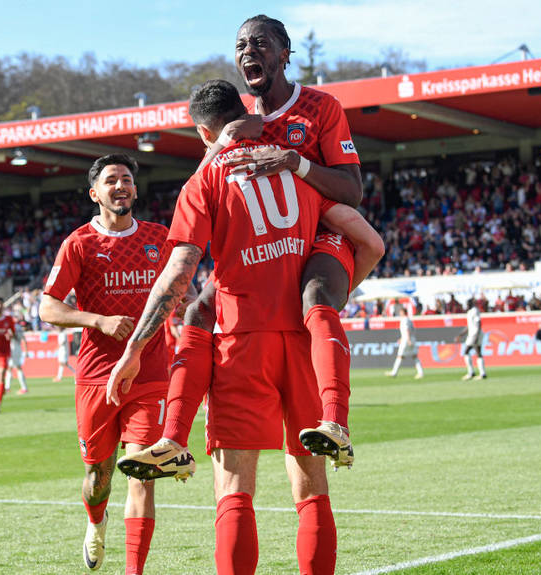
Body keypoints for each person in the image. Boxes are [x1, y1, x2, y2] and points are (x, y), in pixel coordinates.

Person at [108, 79, 376, 575]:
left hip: (240, 343)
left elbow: (178, 274)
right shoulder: (297, 166)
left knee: (234, 493)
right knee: (312, 490)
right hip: (302, 342)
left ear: (204, 132)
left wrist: (134, 351)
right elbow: (366, 237)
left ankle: (173, 439)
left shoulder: (203, 181)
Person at [119, 14, 385, 477]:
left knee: (316, 294)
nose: (248, 52)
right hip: (269, 246)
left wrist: (297, 163)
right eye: (241, 45)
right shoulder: (242, 120)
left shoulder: (321, 108)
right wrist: (218, 144)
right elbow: (217, 168)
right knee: (200, 308)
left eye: (260, 43)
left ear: (285, 52)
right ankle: (172, 440)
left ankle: (337, 423)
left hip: (325, 226)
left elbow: (352, 190)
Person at [38, 154, 173, 574]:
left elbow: (179, 293)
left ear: (135, 189)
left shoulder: (159, 237)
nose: (121, 186)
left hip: (149, 376)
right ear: (95, 193)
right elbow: (48, 308)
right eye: (111, 180)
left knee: (142, 473)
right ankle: (96, 523)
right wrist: (97, 320)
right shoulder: (79, 243)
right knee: (99, 478)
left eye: (127, 179)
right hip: (97, 376)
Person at [385, 307, 423, 379]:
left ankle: (394, 372)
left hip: (407, 340)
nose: (399, 313)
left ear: (403, 312)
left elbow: (407, 330)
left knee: (400, 356)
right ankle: (420, 373)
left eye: (400, 312)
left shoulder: (404, 320)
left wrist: (407, 339)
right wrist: (402, 338)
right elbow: (411, 330)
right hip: (410, 338)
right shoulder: (409, 320)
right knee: (414, 356)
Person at [457, 301, 487, 380]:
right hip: (474, 333)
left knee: (466, 351)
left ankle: (471, 372)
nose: (466, 306)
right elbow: (469, 326)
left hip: (475, 334)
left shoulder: (474, 311)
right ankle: (482, 373)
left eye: (467, 304)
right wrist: (461, 335)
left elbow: (479, 322)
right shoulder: (470, 312)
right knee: (478, 352)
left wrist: (477, 335)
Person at [6, 310, 29, 395]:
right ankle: (7, 387)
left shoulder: (13, 327)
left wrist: (9, 335)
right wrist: (26, 350)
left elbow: (13, 337)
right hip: (16, 347)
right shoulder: (19, 327)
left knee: (18, 367)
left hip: (14, 348)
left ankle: (24, 388)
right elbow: (23, 339)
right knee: (10, 367)